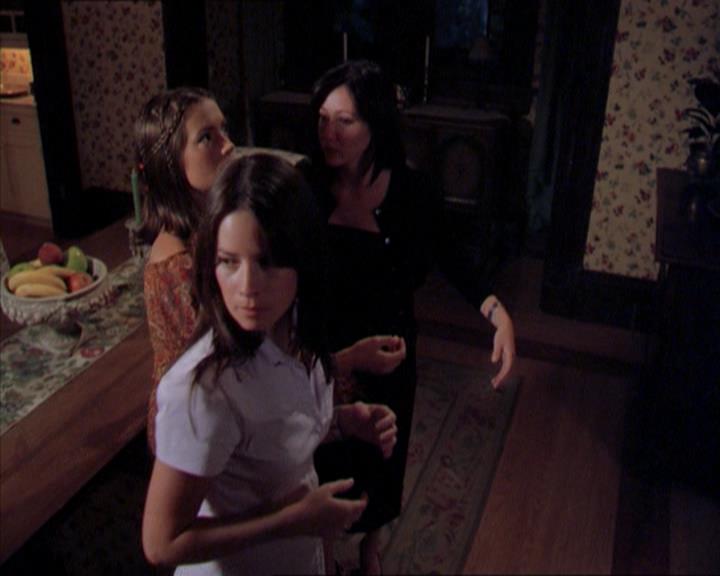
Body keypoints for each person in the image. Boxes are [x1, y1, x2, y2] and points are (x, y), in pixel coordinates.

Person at [142, 152, 399, 576]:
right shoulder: (202, 391)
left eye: (267, 261)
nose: (246, 287)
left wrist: (342, 422)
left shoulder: (294, 323)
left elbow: (273, 430)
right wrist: (294, 520)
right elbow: (161, 544)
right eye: (229, 261)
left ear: (302, 258)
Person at [309, 60, 516, 574]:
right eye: (323, 119)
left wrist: (497, 313)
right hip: (328, 345)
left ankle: (370, 543)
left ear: (376, 124)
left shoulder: (411, 190)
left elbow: (453, 258)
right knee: (323, 452)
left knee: (383, 453)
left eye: (345, 121)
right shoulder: (306, 184)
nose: (329, 133)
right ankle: (324, 550)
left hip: (391, 346)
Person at [134, 86, 235, 452]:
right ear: (171, 164)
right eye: (206, 137)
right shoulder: (176, 266)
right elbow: (227, 360)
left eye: (224, 129)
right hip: (193, 421)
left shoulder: (209, 224)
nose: (228, 145)